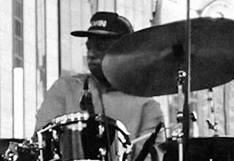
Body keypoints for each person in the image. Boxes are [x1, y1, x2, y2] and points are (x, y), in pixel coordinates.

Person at [34, 10, 166, 149]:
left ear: (126, 52)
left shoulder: (147, 107)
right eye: (89, 47)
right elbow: (42, 144)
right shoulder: (65, 88)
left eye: (100, 48)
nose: (91, 54)